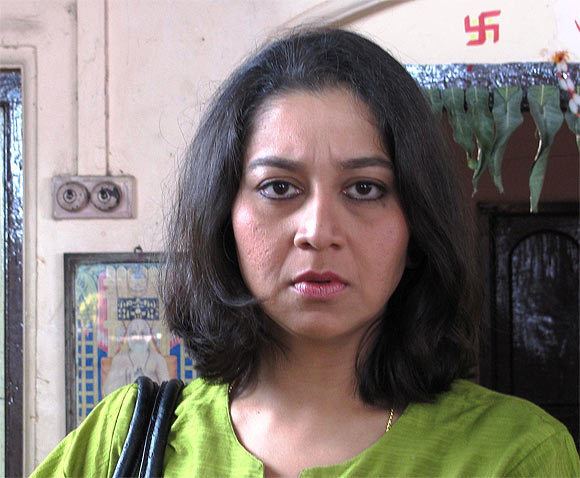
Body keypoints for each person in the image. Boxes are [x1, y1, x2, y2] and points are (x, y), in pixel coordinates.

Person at [32, 28, 579, 477]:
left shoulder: (517, 456)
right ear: (225, 217)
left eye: (365, 188)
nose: (318, 232)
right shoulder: (123, 442)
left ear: (416, 226)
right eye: (278, 187)